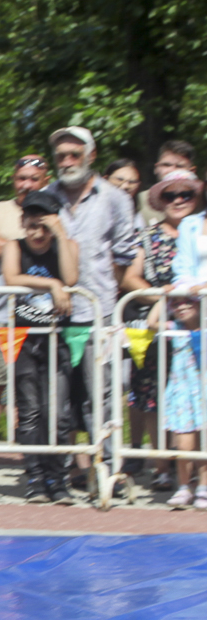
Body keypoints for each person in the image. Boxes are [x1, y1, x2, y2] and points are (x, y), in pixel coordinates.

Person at [45, 125, 138, 490]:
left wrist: (108, 294)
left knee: (102, 397)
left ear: (91, 156)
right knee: (59, 400)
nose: (67, 162)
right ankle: (63, 471)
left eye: (74, 155)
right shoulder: (45, 195)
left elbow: (125, 254)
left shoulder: (115, 197)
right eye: (61, 156)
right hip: (53, 314)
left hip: (99, 312)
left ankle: (109, 468)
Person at [122, 170, 203, 490]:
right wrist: (164, 296)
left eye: (186, 195)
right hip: (162, 322)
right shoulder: (150, 235)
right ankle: (163, 467)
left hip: (197, 321)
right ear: (161, 201)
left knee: (197, 399)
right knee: (155, 395)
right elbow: (130, 278)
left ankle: (197, 473)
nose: (178, 201)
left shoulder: (197, 228)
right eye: (170, 195)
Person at [0, 155, 51, 475]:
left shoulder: (53, 208)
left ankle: (44, 456)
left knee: (42, 386)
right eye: (21, 178)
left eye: (33, 178)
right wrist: (33, 242)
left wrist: (13, 245)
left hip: (42, 314)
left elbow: (62, 245)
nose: (26, 184)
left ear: (45, 180)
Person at [1, 190, 80, 504]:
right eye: (31, 225)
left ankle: (57, 477)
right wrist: (51, 283)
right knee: (30, 411)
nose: (37, 233)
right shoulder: (14, 247)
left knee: (59, 412)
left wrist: (60, 235)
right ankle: (35, 476)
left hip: (58, 337)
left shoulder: (67, 245)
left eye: (43, 226)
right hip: (23, 337)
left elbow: (72, 276)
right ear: (22, 223)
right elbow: (10, 277)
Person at [159, 296, 207, 508]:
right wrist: (163, 296)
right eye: (176, 303)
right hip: (183, 391)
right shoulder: (175, 328)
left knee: (204, 443)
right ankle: (184, 486)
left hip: (203, 391)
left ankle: (203, 487)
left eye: (188, 301)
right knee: (184, 444)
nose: (182, 307)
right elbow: (152, 323)